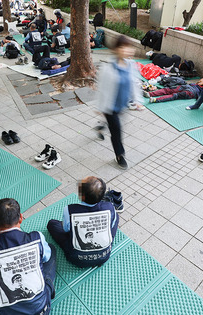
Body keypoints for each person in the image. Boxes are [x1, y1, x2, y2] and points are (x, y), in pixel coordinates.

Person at [0, 198, 57, 315]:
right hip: (42, 311)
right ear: (21, 218)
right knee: (50, 249)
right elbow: (46, 258)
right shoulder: (37, 237)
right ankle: (48, 289)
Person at [47, 176, 119, 267]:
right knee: (115, 217)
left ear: (82, 196)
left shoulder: (69, 210)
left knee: (52, 224)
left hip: (76, 258)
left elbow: (66, 230)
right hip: (104, 255)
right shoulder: (109, 207)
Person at [96, 36, 142, 170]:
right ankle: (119, 155)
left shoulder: (131, 65)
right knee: (117, 131)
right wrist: (100, 107)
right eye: (122, 47)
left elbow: (134, 84)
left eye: (128, 46)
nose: (126, 50)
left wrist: (137, 101)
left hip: (123, 105)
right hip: (109, 106)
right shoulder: (108, 68)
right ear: (116, 49)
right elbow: (102, 89)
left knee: (114, 126)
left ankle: (100, 127)